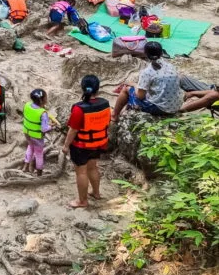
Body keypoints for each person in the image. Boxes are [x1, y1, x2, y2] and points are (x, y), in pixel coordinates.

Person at [113, 41, 219, 119]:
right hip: (176, 104)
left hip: (161, 109)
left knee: (127, 89)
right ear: (161, 53)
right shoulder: (170, 66)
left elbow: (140, 96)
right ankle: (122, 111)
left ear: (145, 53)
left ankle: (114, 116)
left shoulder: (147, 72)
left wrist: (134, 85)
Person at [62, 74, 110, 209]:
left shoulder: (79, 109)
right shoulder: (105, 104)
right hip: (98, 143)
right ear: (98, 89)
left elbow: (73, 130)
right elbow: (108, 122)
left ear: (82, 88)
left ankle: (82, 201)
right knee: (93, 167)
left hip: (81, 146)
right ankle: (96, 193)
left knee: (81, 172)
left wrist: (65, 146)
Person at [22, 89, 53, 176]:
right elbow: (44, 129)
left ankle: (25, 166)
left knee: (30, 147)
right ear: (41, 100)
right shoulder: (43, 113)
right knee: (39, 154)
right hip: (37, 136)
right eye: (46, 97)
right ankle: (39, 173)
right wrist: (52, 126)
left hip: (27, 133)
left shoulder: (27, 105)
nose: (47, 99)